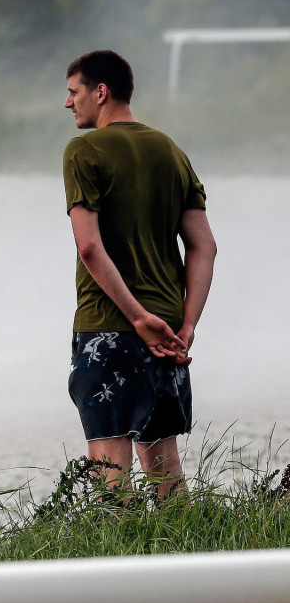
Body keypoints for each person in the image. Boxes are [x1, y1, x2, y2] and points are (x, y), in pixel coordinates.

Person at [62, 49, 217, 499]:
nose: (68, 103)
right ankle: (185, 561)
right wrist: (186, 325)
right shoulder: (170, 150)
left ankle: (114, 564)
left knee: (111, 474)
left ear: (100, 91)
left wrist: (135, 319)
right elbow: (204, 245)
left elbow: (89, 246)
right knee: (165, 470)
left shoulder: (83, 151)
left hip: (111, 327)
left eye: (73, 92)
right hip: (168, 330)